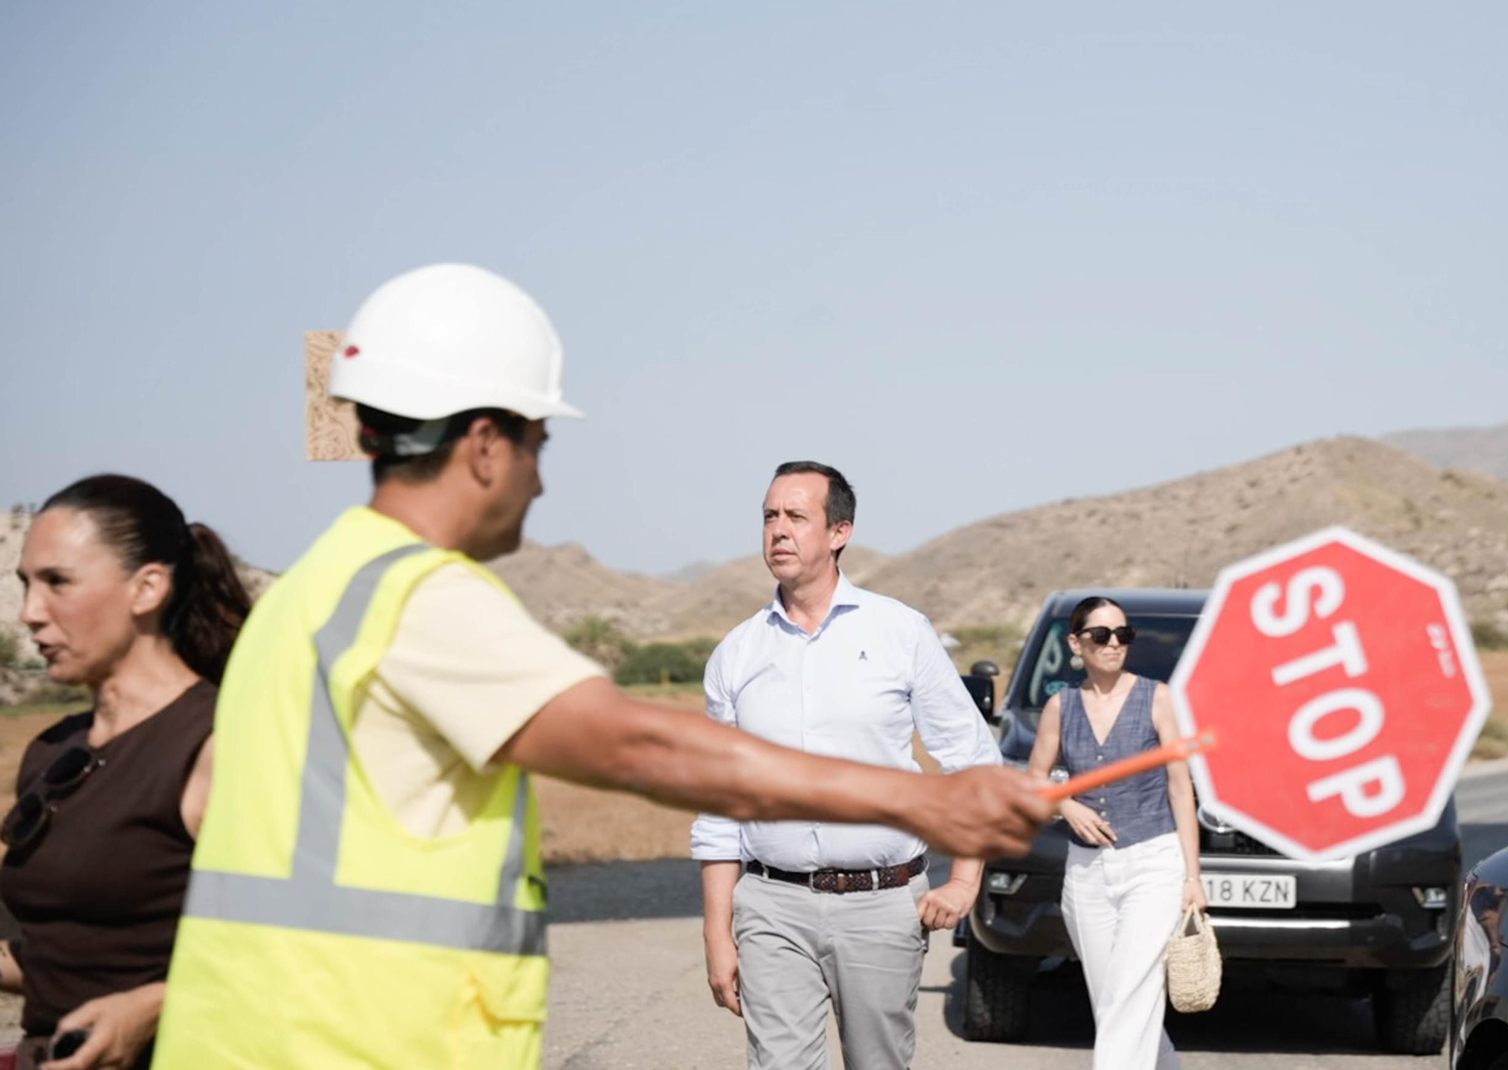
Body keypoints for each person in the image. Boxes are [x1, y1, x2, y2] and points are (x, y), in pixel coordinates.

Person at [150, 263, 1053, 1069]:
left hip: (253, 1034)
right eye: (539, 443)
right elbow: (641, 748)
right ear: (484, 444)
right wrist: (920, 800)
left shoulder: (308, 592)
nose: (542, 481)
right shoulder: (423, 600)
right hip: (360, 1039)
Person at [691, 461, 1001, 1070]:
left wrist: (965, 880)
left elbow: (972, 762)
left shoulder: (900, 633)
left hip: (882, 905)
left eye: (796, 517)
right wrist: (716, 931)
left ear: (839, 532)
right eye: (769, 517)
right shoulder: (737, 654)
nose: (778, 530)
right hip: (772, 905)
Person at [2, 475, 252, 1070]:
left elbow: (298, 942)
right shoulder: (51, 751)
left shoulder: (220, 744)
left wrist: (156, 1007)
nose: (30, 614)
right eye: (25, 585)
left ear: (147, 589)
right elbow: (52, 958)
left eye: (58, 582)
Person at [1026, 595, 1206, 1070]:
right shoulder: (1060, 707)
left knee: (1130, 996)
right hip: (1086, 872)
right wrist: (1066, 804)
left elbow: (1179, 788)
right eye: (1101, 635)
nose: (1113, 644)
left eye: (1122, 635)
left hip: (1154, 862)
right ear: (1076, 643)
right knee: (1117, 1002)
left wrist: (1193, 876)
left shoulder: (1158, 697)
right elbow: (1034, 780)